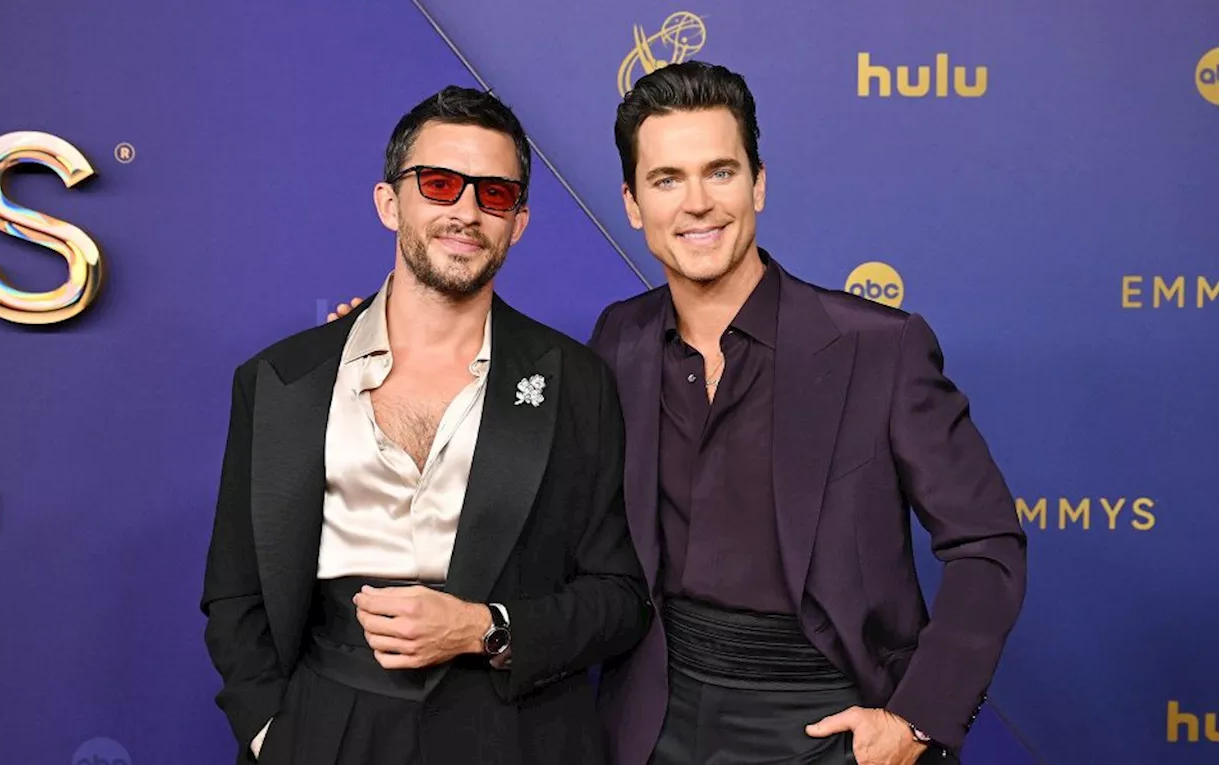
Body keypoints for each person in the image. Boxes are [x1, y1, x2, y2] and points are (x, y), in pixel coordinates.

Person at [329, 63, 1027, 765]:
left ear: (758, 183)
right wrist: (400, 350)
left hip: (829, 718)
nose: (697, 204)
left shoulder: (879, 348)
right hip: (648, 720)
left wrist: (913, 720)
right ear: (633, 203)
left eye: (719, 172)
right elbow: (528, 468)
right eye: (667, 180)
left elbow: (988, 544)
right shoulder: (617, 342)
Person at [203, 85, 650, 765]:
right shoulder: (279, 380)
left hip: (517, 732)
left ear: (519, 222)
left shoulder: (575, 380)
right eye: (440, 184)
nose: (466, 212)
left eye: (494, 194)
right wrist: (272, 730)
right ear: (390, 202)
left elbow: (620, 598)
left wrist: (486, 628)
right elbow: (235, 588)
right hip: (328, 725)